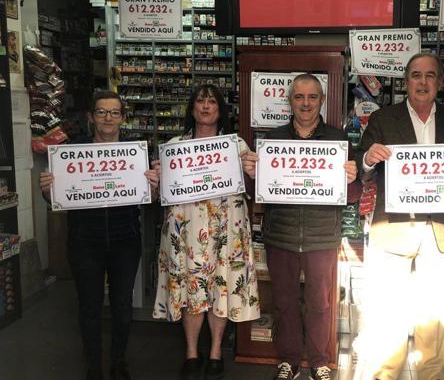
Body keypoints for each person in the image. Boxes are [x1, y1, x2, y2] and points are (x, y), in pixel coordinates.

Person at [241, 73, 359, 380]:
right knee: (284, 302)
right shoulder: (273, 140)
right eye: (299, 97)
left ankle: (320, 361)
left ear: (321, 100)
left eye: (312, 97)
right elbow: (257, 193)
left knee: (320, 303)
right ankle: (289, 361)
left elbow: (353, 194)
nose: (305, 103)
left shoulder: (337, 140)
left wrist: (352, 178)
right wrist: (252, 174)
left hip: (322, 235)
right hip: (281, 234)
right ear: (290, 100)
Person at [39, 90, 160, 380]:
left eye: (115, 112)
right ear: (91, 116)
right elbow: (56, 197)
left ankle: (119, 361)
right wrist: (47, 190)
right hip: (84, 240)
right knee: (89, 305)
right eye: (102, 112)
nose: (108, 118)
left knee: (122, 304)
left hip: (124, 239)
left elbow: (150, 199)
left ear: (123, 118)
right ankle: (93, 365)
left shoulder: (135, 152)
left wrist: (154, 186)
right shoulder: (72, 150)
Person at [355, 52, 444, 380]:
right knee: (390, 314)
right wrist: (369, 159)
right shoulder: (384, 119)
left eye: (430, 76)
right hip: (393, 229)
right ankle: (386, 375)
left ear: (440, 83)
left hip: (439, 230)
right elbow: (363, 166)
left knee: (433, 316)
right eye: (416, 75)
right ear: (406, 82)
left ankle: (432, 377)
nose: (423, 82)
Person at [153, 84, 260, 380]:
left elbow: (254, 185)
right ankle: (191, 352)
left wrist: (252, 169)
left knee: (220, 287)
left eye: (211, 102)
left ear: (220, 110)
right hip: (186, 230)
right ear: (191, 109)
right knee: (190, 288)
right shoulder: (175, 145)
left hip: (226, 230)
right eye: (199, 101)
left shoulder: (235, 145)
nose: (205, 106)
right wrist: (156, 175)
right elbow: (159, 192)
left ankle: (214, 351)